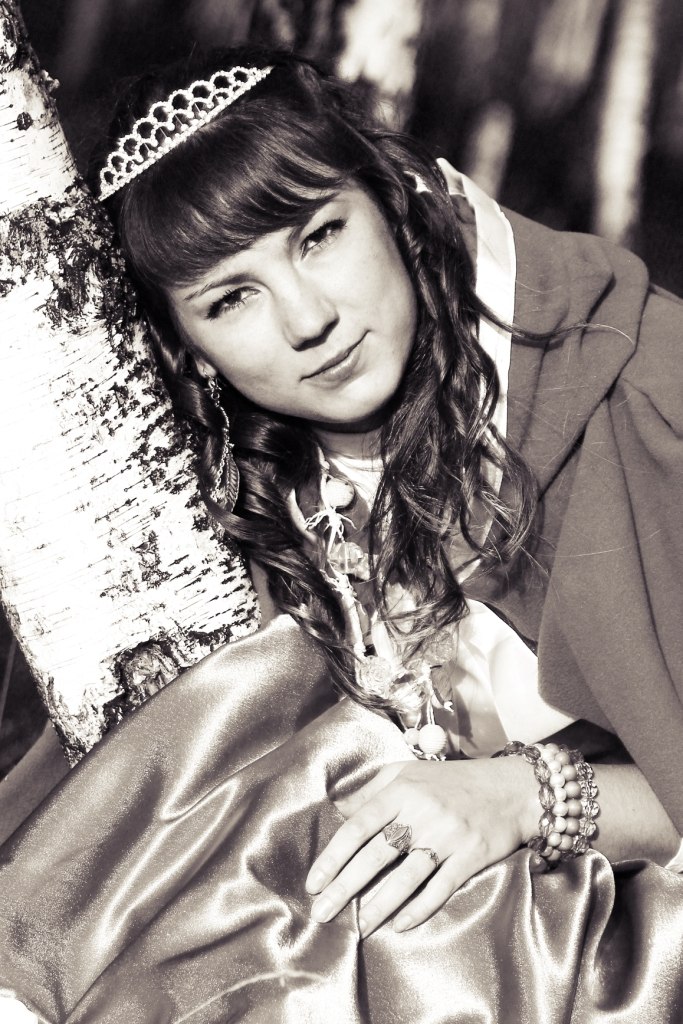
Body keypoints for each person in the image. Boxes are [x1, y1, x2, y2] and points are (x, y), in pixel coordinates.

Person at [1, 46, 683, 1023]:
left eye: (318, 235)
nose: (308, 319)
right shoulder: (231, 501)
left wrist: (527, 798)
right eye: (230, 298)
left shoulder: (636, 394)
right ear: (188, 347)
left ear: (389, 200)